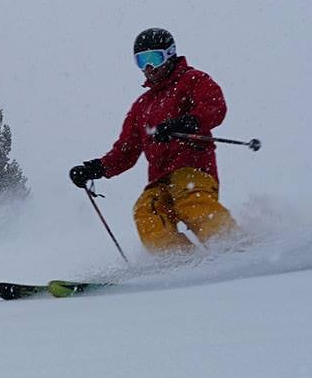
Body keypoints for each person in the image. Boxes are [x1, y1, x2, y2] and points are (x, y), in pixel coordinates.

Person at [69, 28, 239, 254]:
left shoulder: (191, 80)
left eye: (154, 58)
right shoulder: (142, 105)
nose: (148, 67)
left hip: (192, 167)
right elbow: (125, 151)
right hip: (159, 179)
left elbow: (214, 106)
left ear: (169, 55)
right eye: (141, 61)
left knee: (191, 202)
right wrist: (96, 168)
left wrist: (186, 122)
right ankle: (176, 260)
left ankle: (233, 245)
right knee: (146, 211)